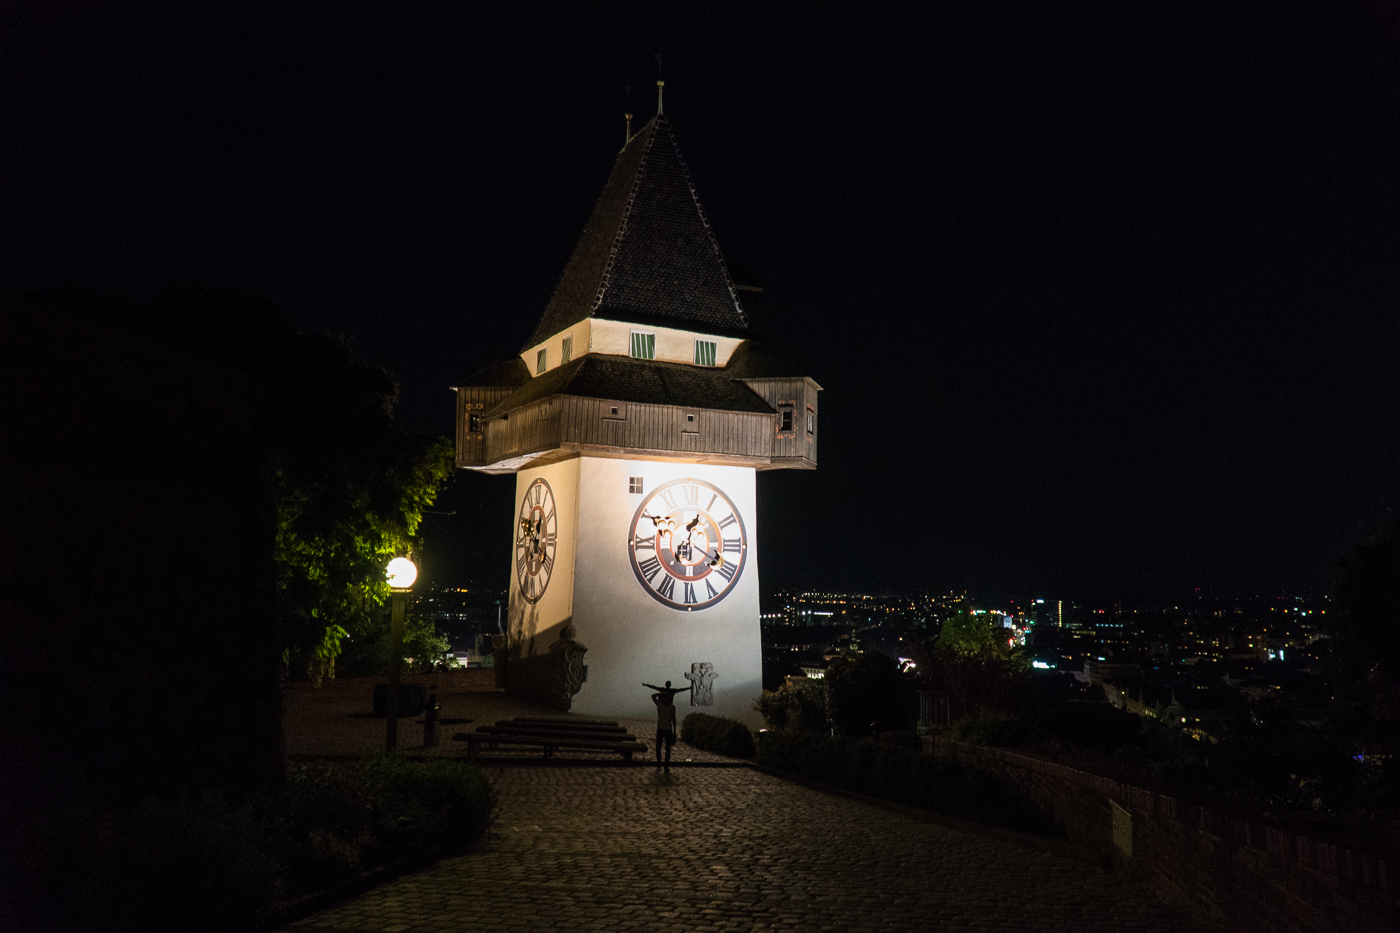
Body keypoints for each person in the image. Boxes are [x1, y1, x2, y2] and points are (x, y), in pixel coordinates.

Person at [651, 685, 680, 772]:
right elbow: (673, 720)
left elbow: (653, 696)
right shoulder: (672, 707)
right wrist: (674, 731)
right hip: (668, 729)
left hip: (660, 728)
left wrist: (661, 693)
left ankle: (659, 763)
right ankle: (666, 766)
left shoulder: (659, 705)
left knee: (658, 747)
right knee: (667, 749)